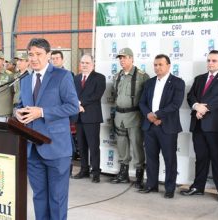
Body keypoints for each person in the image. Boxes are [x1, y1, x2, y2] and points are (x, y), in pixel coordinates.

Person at [15, 38, 79, 220]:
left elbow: (72, 107)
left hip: (56, 148)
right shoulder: (26, 80)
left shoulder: (62, 76)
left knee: (57, 198)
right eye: (30, 54)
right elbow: (21, 104)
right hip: (32, 148)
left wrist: (42, 112)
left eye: (38, 54)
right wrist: (18, 113)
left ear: (48, 55)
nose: (34, 58)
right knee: (39, 196)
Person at [181, 50, 218, 203]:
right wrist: (196, 105)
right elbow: (190, 96)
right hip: (198, 125)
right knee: (201, 157)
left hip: (216, 126)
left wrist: (203, 109)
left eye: (214, 61)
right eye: (209, 60)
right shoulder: (199, 78)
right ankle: (198, 187)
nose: (210, 63)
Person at [138, 54, 185, 198]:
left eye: (160, 64)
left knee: (169, 159)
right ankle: (151, 185)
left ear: (168, 66)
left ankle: (170, 189)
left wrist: (157, 115)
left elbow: (175, 105)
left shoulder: (178, 82)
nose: (157, 67)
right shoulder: (149, 82)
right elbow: (142, 103)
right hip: (150, 126)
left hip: (167, 127)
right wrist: (150, 116)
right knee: (151, 157)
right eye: (155, 65)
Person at [111, 47, 150, 189]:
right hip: (119, 116)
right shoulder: (117, 76)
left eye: (124, 57)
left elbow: (147, 98)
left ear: (132, 58)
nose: (122, 60)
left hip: (135, 116)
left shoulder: (142, 76)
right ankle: (123, 173)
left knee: (137, 145)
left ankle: (139, 175)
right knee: (121, 145)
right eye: (120, 58)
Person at [71, 54, 106, 183]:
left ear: (93, 64)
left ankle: (96, 172)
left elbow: (97, 95)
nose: (84, 65)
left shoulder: (99, 78)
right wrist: (77, 105)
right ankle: (84, 170)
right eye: (82, 63)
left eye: (87, 63)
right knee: (81, 146)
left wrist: (80, 104)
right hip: (79, 117)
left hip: (92, 117)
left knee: (93, 146)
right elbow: (71, 94)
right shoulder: (76, 78)